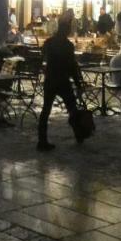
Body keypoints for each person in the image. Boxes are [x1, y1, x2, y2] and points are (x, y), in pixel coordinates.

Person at [38, 19, 85, 151]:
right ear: (67, 31)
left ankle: (42, 140)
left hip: (50, 79)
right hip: (63, 80)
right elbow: (72, 66)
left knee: (45, 110)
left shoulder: (49, 42)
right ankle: (79, 134)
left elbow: (42, 55)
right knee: (72, 108)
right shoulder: (68, 45)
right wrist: (78, 83)